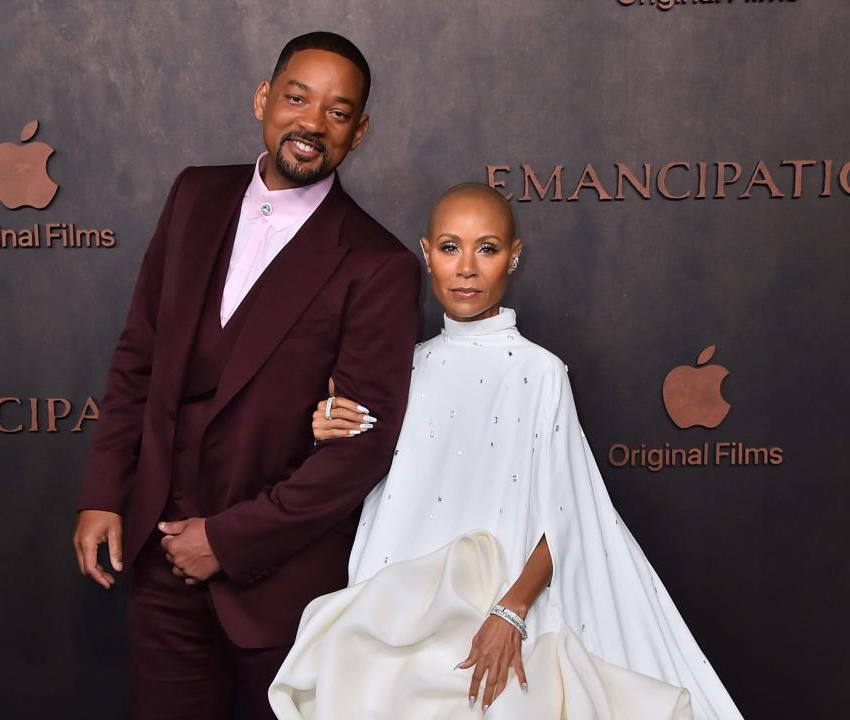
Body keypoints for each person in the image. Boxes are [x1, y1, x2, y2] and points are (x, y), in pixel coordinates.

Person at [269, 184, 743, 719]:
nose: (467, 268)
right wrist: (327, 423)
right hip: (392, 617)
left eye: (487, 248)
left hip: (499, 617)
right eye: (450, 248)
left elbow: (572, 516)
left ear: (514, 256)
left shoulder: (540, 372)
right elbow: (359, 450)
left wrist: (511, 612)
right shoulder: (402, 368)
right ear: (426, 254)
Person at [71, 32, 420, 720]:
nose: (312, 124)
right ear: (265, 98)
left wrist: (227, 542)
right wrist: (104, 491)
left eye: (338, 112)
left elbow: (360, 450)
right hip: (159, 561)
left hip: (283, 588)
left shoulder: (380, 265)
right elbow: (138, 354)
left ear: (360, 131)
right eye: (298, 98)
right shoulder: (194, 195)